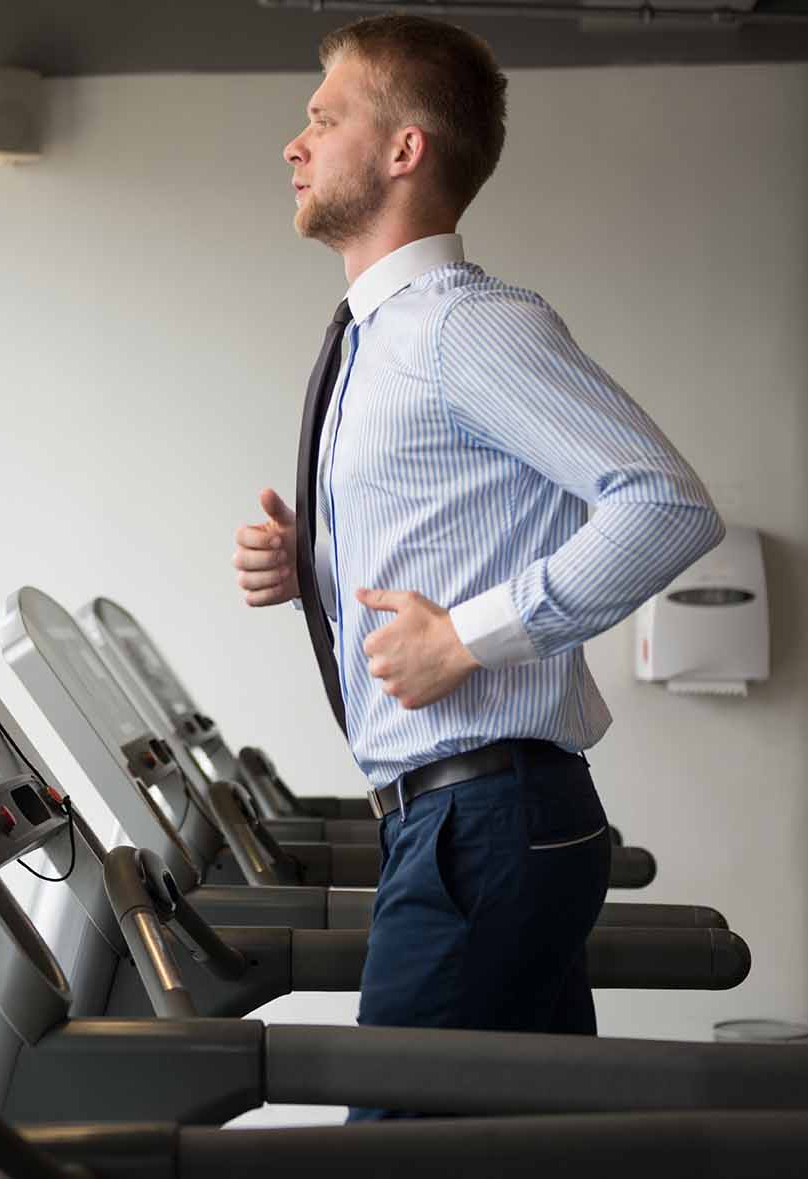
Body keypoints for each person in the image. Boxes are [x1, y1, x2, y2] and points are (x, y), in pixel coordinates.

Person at [230, 14, 724, 1119]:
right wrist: (305, 564)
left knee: (391, 1136)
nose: (292, 144)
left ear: (403, 150)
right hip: (462, 817)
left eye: (323, 118)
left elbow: (665, 506)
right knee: (519, 1142)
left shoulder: (462, 329)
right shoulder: (376, 340)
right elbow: (453, 526)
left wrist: (465, 639)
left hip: (481, 817)